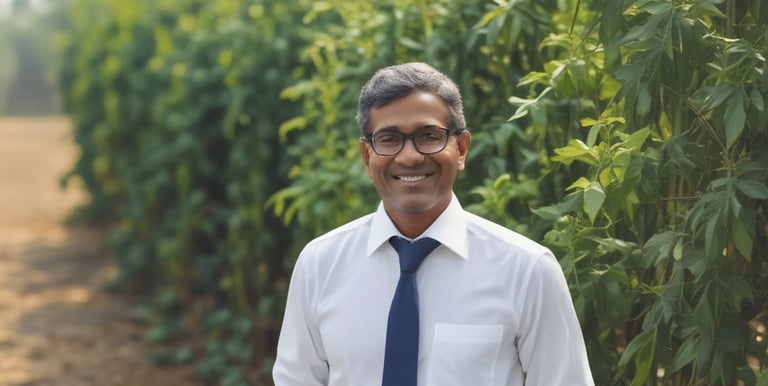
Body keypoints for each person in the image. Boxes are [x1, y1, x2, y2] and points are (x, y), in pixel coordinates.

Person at [273, 62, 594, 386]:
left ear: (461, 148)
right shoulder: (320, 265)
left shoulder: (526, 271)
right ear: (367, 156)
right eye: (389, 139)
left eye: (429, 136)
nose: (410, 156)